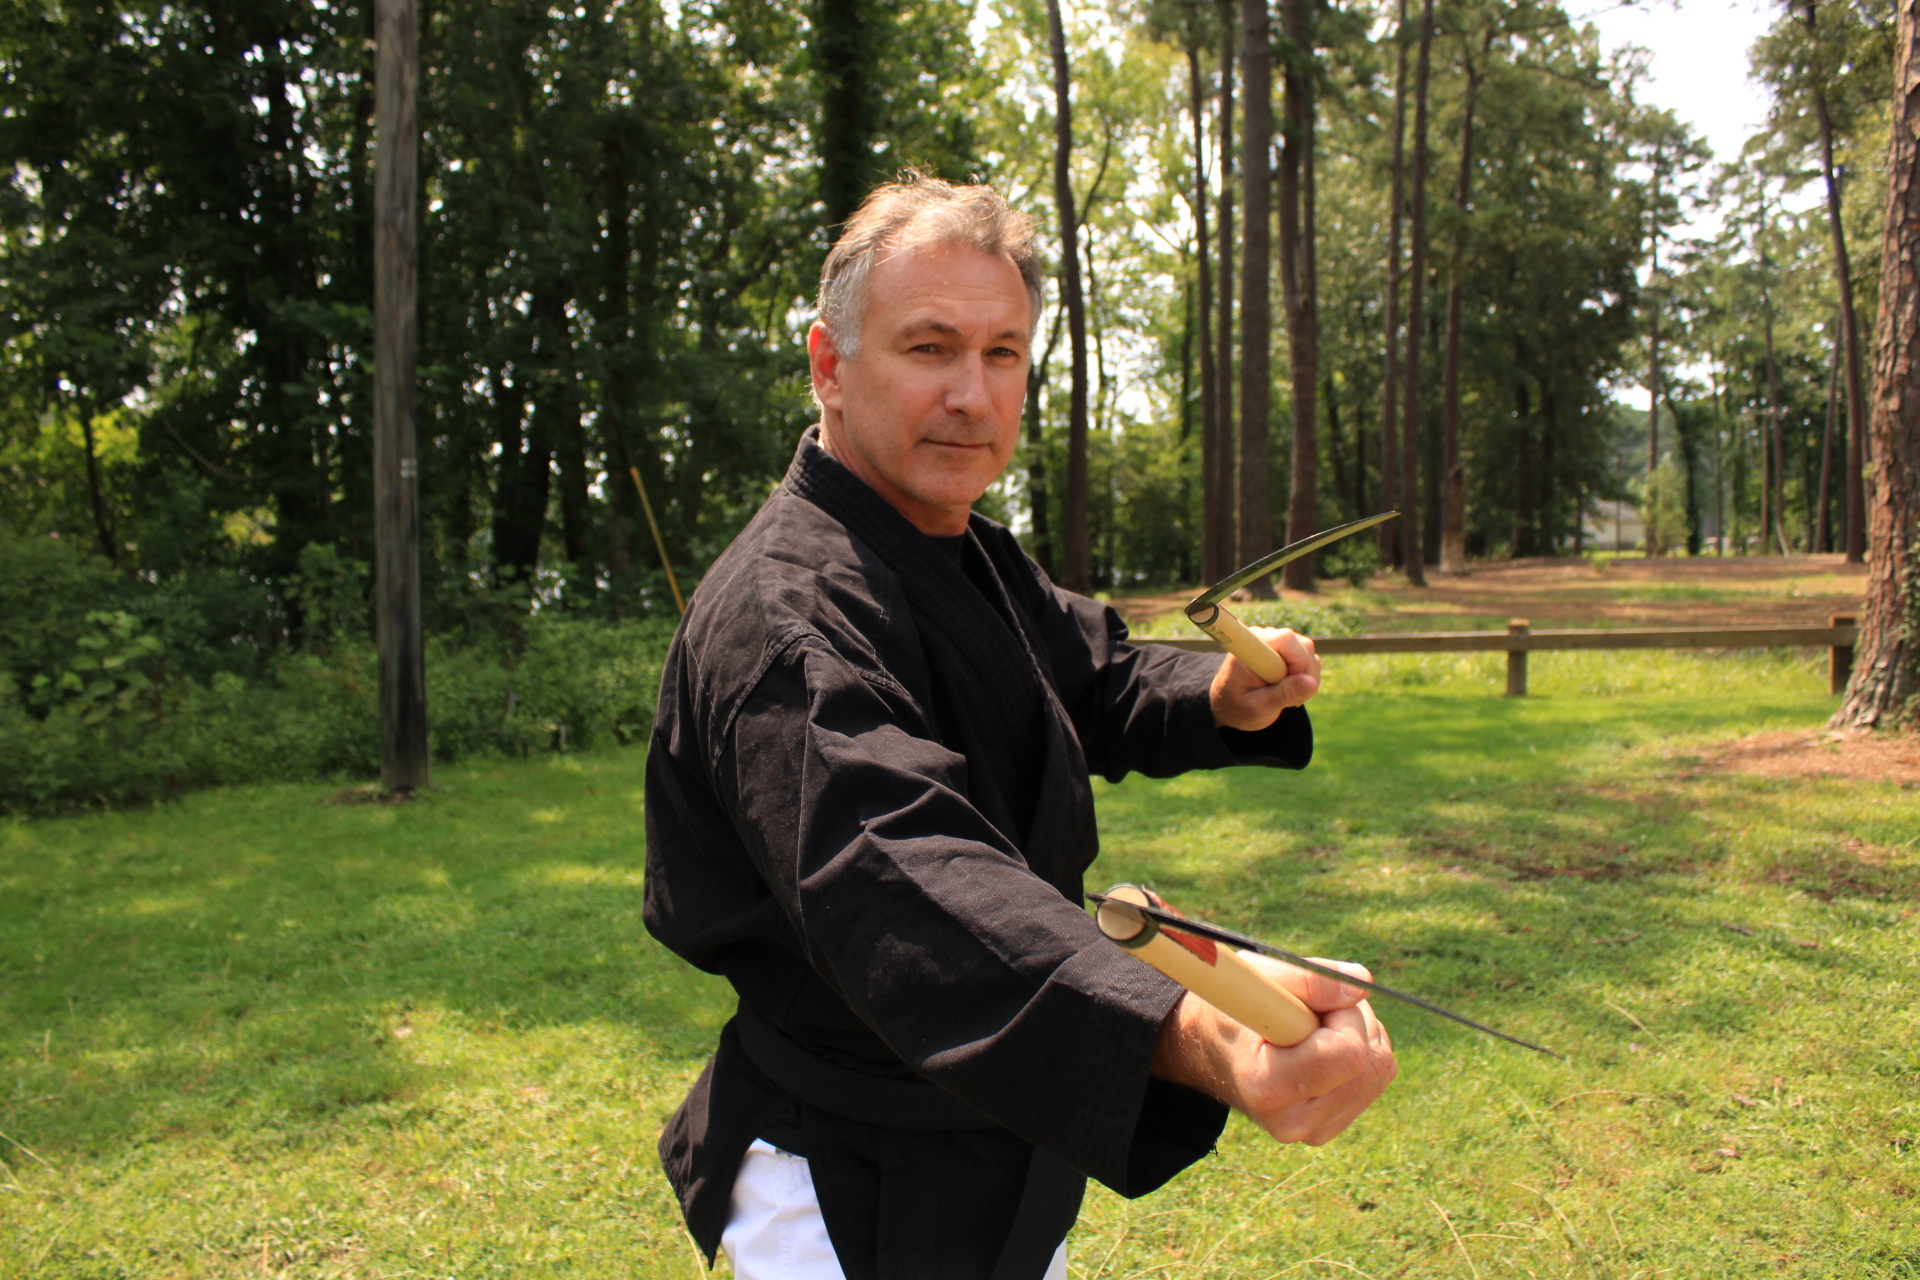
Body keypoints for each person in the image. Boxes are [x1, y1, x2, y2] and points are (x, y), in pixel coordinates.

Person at [642, 172, 1396, 1280]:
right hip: (851, 1181)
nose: (973, 395)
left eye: (1002, 355)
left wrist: (1215, 693)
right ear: (828, 365)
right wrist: (1193, 1024)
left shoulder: (964, 548)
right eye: (930, 347)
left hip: (986, 1126)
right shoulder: (786, 620)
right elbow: (907, 875)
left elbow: (1087, 673)